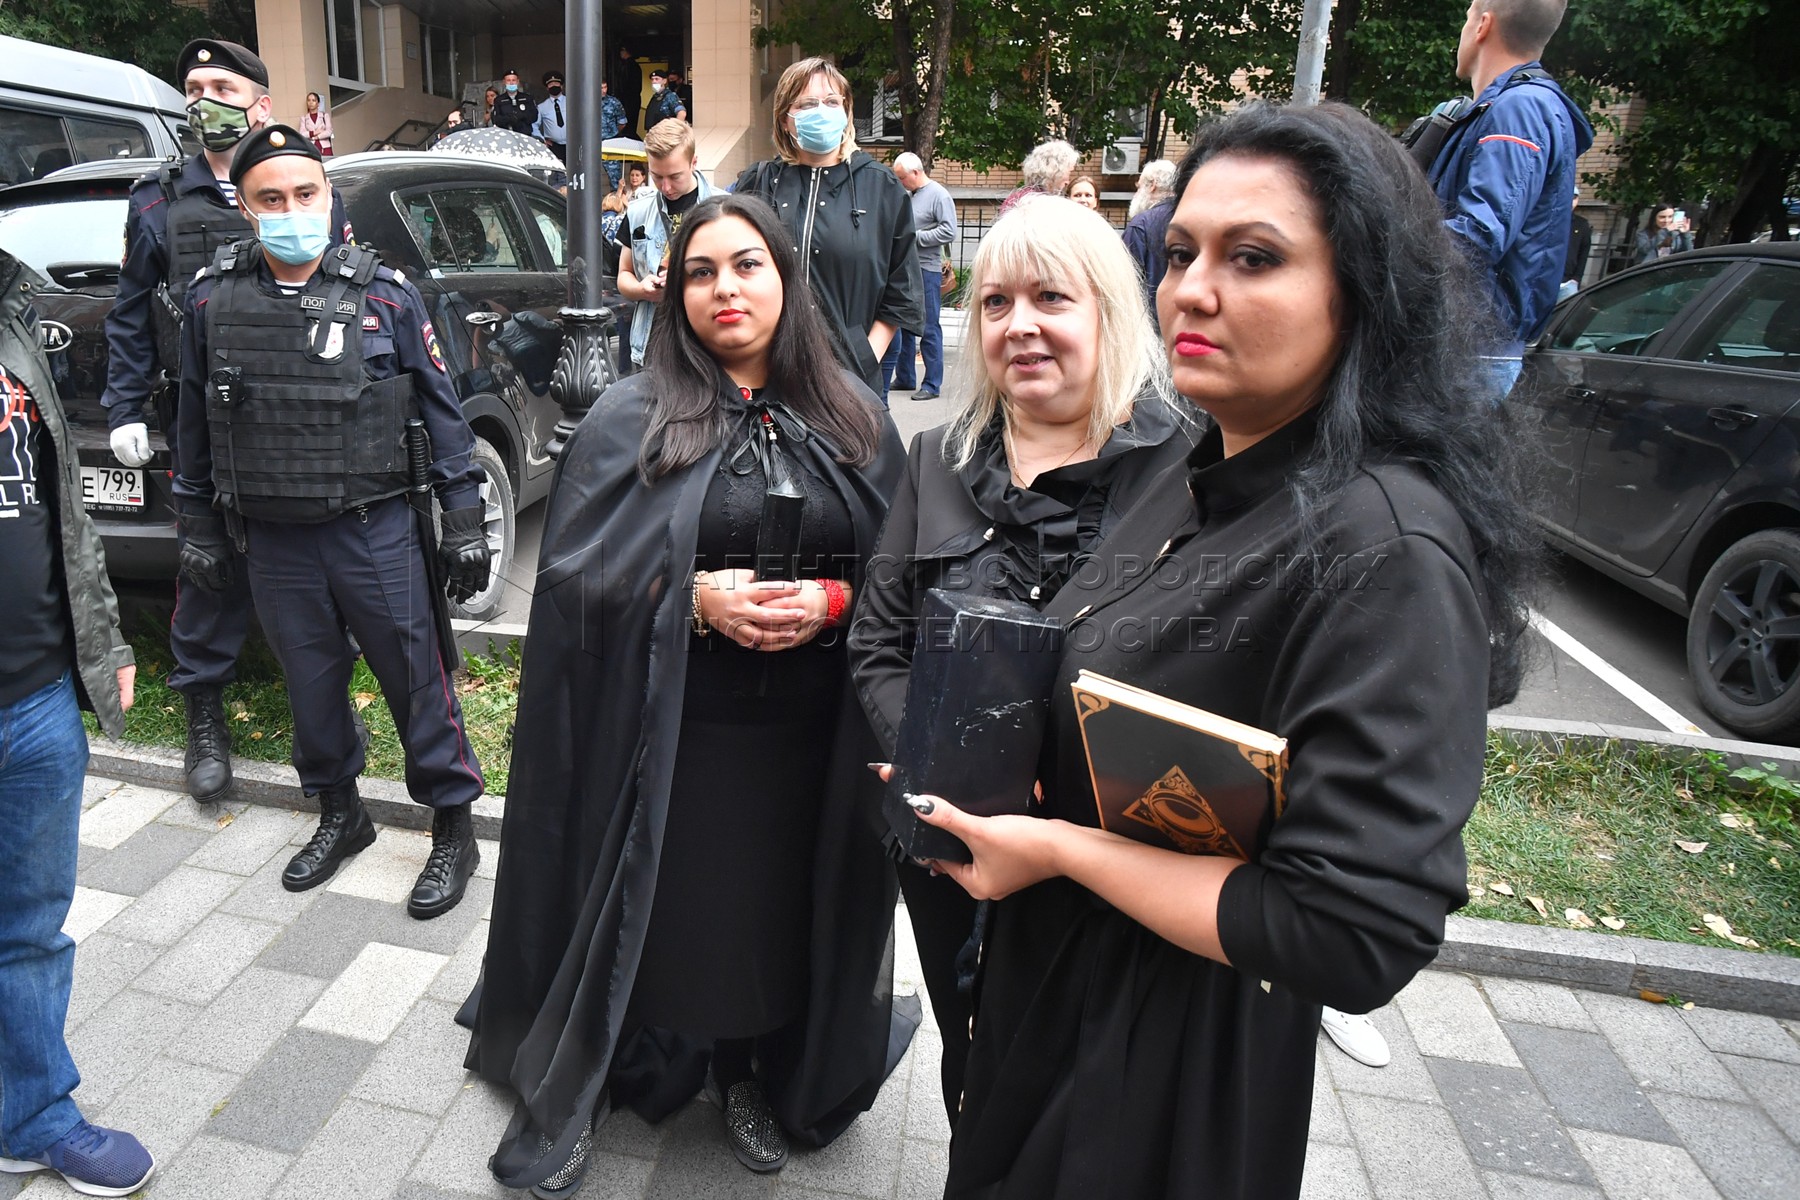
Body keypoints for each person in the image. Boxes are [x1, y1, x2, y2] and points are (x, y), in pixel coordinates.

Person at [900, 100, 1538, 1200]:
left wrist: (1060, 851)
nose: (1193, 289)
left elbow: (1354, 930)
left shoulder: (1383, 543)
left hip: (1162, 1067)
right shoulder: (1197, 469)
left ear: (1363, 289)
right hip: (1048, 998)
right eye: (1183, 251)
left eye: (1254, 258)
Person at [463, 192, 911, 1195]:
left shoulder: (853, 414)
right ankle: (604, 1066)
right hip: (675, 734)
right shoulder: (631, 415)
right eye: (701, 272)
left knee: (776, 910)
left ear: (786, 279)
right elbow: (573, 581)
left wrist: (836, 599)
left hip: (806, 738)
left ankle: (751, 1069)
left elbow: (902, 573)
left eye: (748, 265)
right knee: (661, 907)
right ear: (675, 294)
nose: (725, 289)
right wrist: (692, 599)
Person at [850, 193, 1195, 1128]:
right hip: (952, 841)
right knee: (974, 1062)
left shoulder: (1189, 467)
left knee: (1091, 1095)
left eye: (1051, 298)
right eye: (996, 302)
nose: (1019, 325)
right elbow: (879, 643)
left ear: (1109, 311)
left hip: (1110, 863)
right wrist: (937, 764)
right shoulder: (935, 458)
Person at [173, 126, 491, 918]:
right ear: (245, 207)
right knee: (311, 689)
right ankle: (341, 813)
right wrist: (198, 528)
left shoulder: (386, 295)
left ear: (328, 195)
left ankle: (453, 827)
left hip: (373, 530)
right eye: (272, 199)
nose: (292, 211)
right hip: (273, 536)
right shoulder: (211, 302)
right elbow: (193, 426)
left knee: (417, 683)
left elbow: (443, 415)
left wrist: (462, 519)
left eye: (305, 194)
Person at [101, 38, 353, 806]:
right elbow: (130, 314)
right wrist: (124, 407)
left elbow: (341, 292)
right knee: (205, 565)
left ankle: (328, 707)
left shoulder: (301, 186)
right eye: (193, 87)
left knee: (316, 562)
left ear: (260, 104)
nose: (202, 99)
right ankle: (204, 714)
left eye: (221, 86)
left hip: (300, 417)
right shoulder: (156, 200)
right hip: (203, 419)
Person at [0, 248, 153, 1199]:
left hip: (36, 696)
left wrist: (105, 640)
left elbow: (62, 508)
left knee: (30, 928)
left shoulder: (11, 318)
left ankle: (34, 1118)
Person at [1425, 0, 1592, 397]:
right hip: (1469, 343)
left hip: (1468, 349)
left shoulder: (1520, 108)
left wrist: (1380, 236)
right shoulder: (1515, 105)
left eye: (1466, 16)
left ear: (1482, 25)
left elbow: (1479, 232)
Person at [734, 57, 922, 398]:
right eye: (807, 104)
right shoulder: (760, 183)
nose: (821, 111)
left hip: (849, 381)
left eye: (832, 102)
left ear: (846, 111)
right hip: (766, 376)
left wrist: (864, 360)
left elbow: (901, 290)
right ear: (786, 119)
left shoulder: (881, 187)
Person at [618, 118, 718, 372]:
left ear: (694, 163)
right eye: (657, 176)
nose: (666, 187)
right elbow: (623, 274)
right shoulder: (638, 211)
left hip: (709, 345)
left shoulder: (725, 208)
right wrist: (641, 289)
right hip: (651, 346)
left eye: (675, 176)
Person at [881, 151, 957, 402]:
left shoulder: (939, 195)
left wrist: (914, 237)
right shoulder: (910, 194)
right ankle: (905, 377)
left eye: (903, 177)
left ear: (916, 172)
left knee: (928, 326)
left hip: (926, 269)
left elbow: (949, 231)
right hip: (906, 268)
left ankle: (932, 384)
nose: (900, 182)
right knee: (904, 323)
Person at [1122, 158, 1179, 327]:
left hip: (1148, 325)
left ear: (1152, 185)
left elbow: (1125, 283)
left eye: (1139, 187)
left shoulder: (1141, 225)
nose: (1137, 193)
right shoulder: (1192, 217)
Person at [999, 140, 1078, 215]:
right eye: (1069, 173)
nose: (1068, 182)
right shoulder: (1038, 204)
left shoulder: (1019, 198)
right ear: (1054, 172)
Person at [535, 70, 568, 162]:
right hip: (554, 147)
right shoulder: (541, 107)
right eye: (550, 84)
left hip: (573, 144)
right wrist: (542, 139)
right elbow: (534, 125)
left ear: (561, 86)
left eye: (556, 83)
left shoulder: (572, 102)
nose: (554, 86)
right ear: (547, 88)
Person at [599, 81, 628, 187]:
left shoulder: (614, 102)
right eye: (600, 87)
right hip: (591, 143)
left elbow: (622, 122)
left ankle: (617, 196)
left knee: (615, 176)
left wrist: (613, 133)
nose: (603, 90)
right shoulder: (586, 100)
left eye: (605, 87)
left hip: (610, 142)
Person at [491, 68, 536, 135]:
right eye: (508, 80)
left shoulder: (527, 98)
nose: (511, 83)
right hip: (506, 135)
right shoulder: (499, 100)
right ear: (504, 82)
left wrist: (520, 116)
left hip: (524, 134)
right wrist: (509, 118)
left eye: (513, 80)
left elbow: (534, 116)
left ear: (517, 81)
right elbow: (496, 119)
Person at [610, 44, 642, 136]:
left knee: (627, 126)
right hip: (632, 100)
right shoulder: (633, 66)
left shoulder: (628, 66)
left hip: (628, 101)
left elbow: (626, 85)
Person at [300, 91, 333, 156]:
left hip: (325, 148)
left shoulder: (325, 116)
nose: (311, 102)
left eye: (313, 100)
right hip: (311, 148)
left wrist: (317, 137)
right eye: (309, 100)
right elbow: (302, 134)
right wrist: (315, 132)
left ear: (318, 103)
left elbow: (329, 132)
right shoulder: (304, 118)